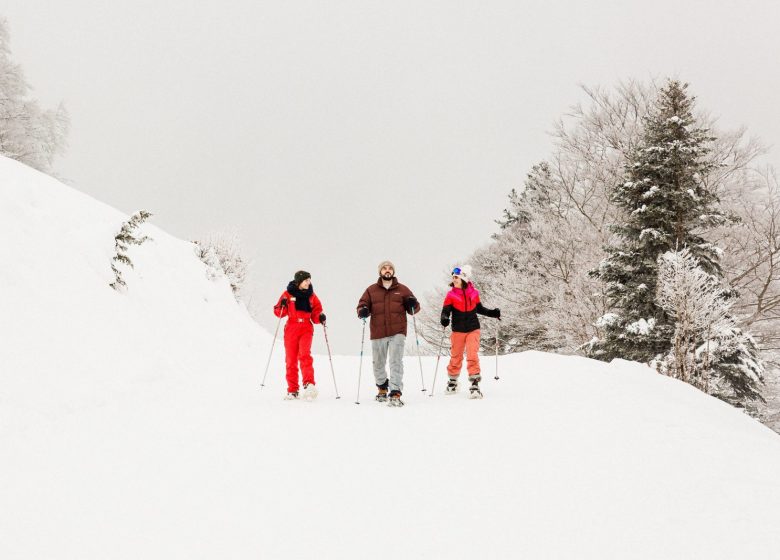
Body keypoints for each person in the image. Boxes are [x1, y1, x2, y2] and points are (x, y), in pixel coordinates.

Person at [356, 260, 420, 407]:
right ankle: (382, 387)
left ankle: (395, 391)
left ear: (393, 271)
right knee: (378, 363)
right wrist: (363, 310)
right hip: (378, 332)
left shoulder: (402, 289)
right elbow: (361, 305)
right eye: (384, 268)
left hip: (398, 331)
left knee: (395, 361)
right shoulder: (371, 290)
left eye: (390, 268)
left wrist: (413, 304)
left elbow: (415, 309)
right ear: (380, 272)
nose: (387, 270)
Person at [440, 265, 500, 398]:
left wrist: (493, 313)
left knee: (472, 354)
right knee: (456, 356)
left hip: (473, 328)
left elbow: (479, 309)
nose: (454, 279)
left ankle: (474, 384)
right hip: (458, 330)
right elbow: (445, 311)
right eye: (453, 277)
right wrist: (444, 318)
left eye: (456, 277)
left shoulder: (474, 293)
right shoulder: (451, 295)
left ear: (463, 278)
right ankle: (453, 381)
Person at [273, 270, 326, 400]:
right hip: (291, 327)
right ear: (299, 281)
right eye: (306, 280)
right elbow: (278, 311)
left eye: (309, 280)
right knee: (290, 359)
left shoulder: (312, 296)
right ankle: (293, 390)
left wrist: (320, 317)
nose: (309, 282)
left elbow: (316, 313)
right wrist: (283, 306)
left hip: (306, 327)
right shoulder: (287, 294)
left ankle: (309, 385)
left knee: (304, 355)